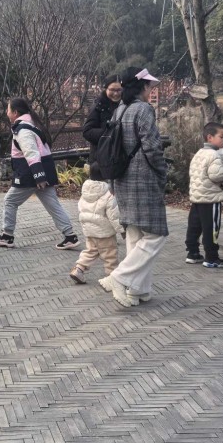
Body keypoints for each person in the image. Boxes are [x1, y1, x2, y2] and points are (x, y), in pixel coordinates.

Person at [98, 67, 168, 307]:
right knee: (157, 234)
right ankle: (119, 277)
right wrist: (162, 172)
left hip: (121, 178)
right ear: (142, 87)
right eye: (149, 86)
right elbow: (152, 147)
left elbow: (112, 148)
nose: (151, 91)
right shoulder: (144, 109)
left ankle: (138, 289)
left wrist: (111, 182)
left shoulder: (119, 109)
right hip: (143, 179)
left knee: (135, 233)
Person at [0, 97, 79, 250]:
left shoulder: (23, 130)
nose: (6, 112)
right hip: (43, 172)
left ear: (15, 112)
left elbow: (32, 154)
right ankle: (70, 236)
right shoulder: (32, 125)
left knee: (10, 201)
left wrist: (39, 176)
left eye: (8, 110)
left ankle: (7, 236)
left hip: (30, 174)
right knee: (53, 205)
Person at [184, 122, 223, 268]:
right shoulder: (214, 155)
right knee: (211, 229)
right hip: (211, 199)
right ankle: (211, 258)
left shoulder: (199, 153)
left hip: (197, 197)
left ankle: (192, 253)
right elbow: (217, 175)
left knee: (194, 226)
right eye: (221, 137)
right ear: (210, 137)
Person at [69, 169, 121, 284]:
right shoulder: (108, 193)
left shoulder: (85, 192)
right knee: (110, 255)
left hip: (89, 230)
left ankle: (78, 269)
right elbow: (114, 216)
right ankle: (113, 278)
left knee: (91, 251)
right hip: (105, 232)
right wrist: (121, 230)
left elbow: (81, 209)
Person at [81, 75, 123, 179]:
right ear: (105, 89)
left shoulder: (124, 105)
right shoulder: (99, 106)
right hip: (100, 159)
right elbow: (87, 131)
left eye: (119, 90)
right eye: (112, 90)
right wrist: (110, 134)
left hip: (119, 158)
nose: (116, 93)